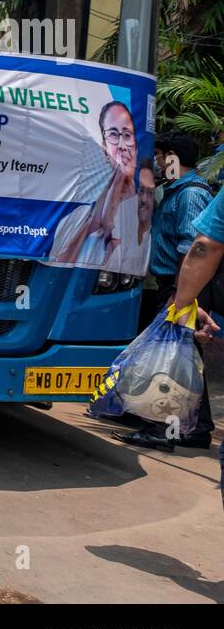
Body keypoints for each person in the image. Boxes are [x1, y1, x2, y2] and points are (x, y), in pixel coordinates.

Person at [117, 176, 222, 453]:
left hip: (185, 286)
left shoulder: (190, 194)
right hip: (181, 285)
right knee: (186, 358)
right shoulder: (181, 192)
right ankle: (195, 428)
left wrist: (181, 300)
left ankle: (163, 430)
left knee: (172, 359)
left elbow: (197, 247)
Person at [49, 101, 140, 272]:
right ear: (104, 147)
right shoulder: (73, 220)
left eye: (127, 135)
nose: (122, 145)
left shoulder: (144, 209)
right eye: (113, 135)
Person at [140, 133, 213, 327]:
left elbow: (190, 248)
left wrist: (178, 294)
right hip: (169, 285)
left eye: (157, 155)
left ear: (171, 156)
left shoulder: (190, 194)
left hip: (179, 288)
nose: (156, 162)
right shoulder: (175, 191)